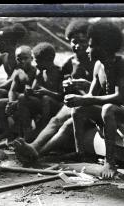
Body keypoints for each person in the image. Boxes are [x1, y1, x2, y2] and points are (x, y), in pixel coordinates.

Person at [13, 19, 94, 164]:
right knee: (55, 120)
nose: (77, 46)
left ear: (90, 40)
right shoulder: (70, 63)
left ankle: (37, 154)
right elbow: (61, 89)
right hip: (73, 102)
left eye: (82, 41)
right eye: (74, 41)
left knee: (68, 124)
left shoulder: (96, 60)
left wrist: (86, 85)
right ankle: (33, 146)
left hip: (91, 104)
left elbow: (103, 89)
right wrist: (67, 86)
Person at [65, 19, 124, 179]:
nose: (87, 50)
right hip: (113, 113)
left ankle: (110, 162)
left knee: (108, 108)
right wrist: (76, 99)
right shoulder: (98, 66)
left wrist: (85, 100)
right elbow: (90, 96)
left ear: (105, 47)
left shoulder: (123, 63)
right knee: (78, 109)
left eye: (91, 45)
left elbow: (119, 97)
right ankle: (81, 154)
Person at [16, 42, 64, 142]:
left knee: (46, 99)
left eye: (37, 61)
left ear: (47, 60)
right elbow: (34, 90)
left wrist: (47, 92)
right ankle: (27, 133)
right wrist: (29, 91)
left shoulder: (59, 72)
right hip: (43, 103)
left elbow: (62, 97)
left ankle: (42, 131)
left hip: (56, 105)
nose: (35, 64)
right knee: (22, 97)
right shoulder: (40, 72)